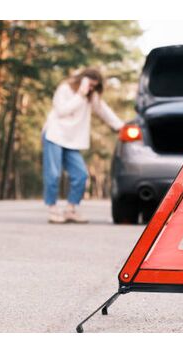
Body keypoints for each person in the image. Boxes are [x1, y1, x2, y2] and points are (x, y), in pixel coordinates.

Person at [42, 68, 124, 223]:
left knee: (80, 174)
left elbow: (104, 111)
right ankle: (52, 209)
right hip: (54, 135)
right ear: (82, 80)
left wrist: (120, 126)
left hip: (71, 140)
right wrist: (80, 94)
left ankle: (70, 209)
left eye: (94, 86)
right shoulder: (65, 88)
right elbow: (61, 111)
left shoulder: (90, 96)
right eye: (89, 84)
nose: (91, 89)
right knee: (53, 174)